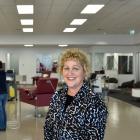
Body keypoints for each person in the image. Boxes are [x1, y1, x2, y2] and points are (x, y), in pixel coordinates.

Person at [44, 48, 108, 140]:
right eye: (66, 68)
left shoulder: (95, 104)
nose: (70, 73)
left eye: (75, 68)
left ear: (84, 71)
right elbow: (48, 128)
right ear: (62, 71)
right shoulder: (57, 96)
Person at [0, 60, 8, 131]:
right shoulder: (3, 73)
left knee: (0, 111)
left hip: (0, 94)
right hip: (5, 93)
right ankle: (4, 125)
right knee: (3, 110)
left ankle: (2, 127)